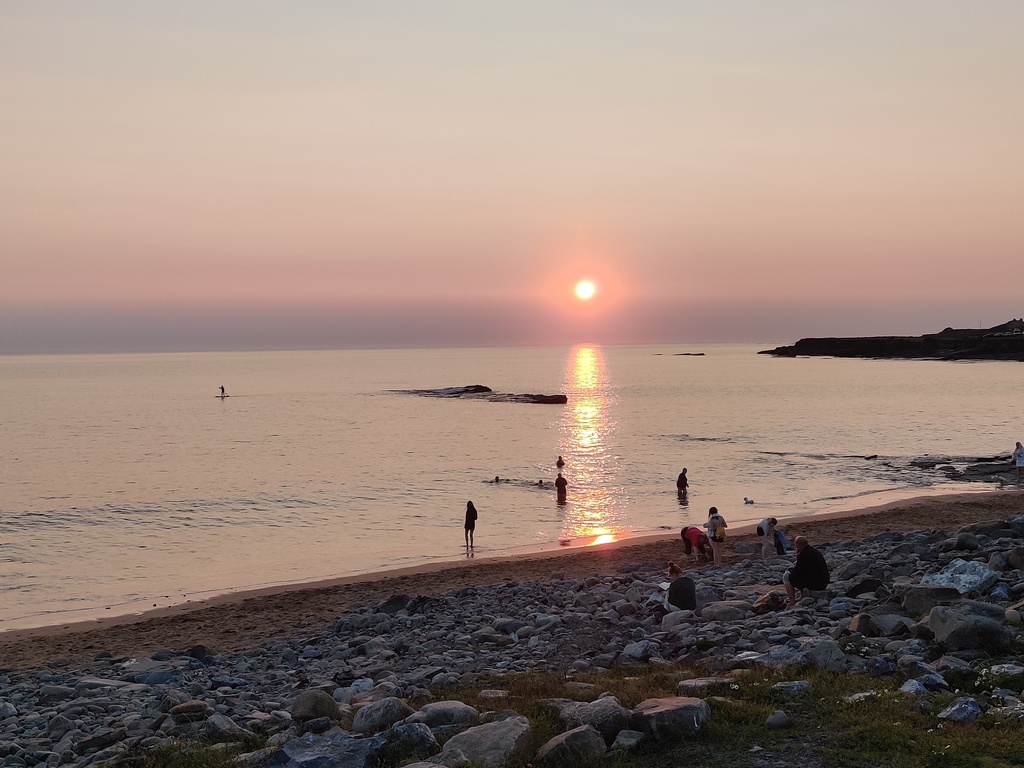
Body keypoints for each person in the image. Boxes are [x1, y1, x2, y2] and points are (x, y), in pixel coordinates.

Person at [784, 536, 830, 605]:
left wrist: (790, 570)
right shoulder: (814, 551)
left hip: (815, 585)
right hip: (824, 582)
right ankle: (801, 596)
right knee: (802, 575)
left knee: (786, 576)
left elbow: (798, 571)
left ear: (798, 545)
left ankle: (792, 600)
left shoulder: (803, 555)